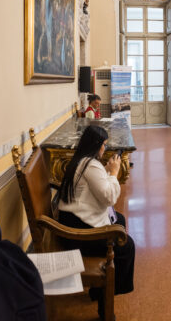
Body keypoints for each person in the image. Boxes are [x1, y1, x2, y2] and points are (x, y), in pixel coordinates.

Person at [56, 126, 135, 315]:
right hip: (76, 233)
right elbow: (108, 197)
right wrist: (114, 173)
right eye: (104, 145)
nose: (105, 149)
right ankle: (106, 293)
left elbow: (97, 185)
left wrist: (106, 171)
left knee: (120, 219)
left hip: (71, 219)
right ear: (97, 145)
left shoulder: (81, 160)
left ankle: (100, 290)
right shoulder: (90, 165)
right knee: (127, 245)